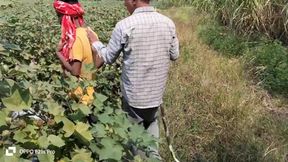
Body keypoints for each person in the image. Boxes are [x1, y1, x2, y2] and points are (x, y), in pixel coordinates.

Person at [86, 0, 179, 159]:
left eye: (125, 0)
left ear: (134, 1)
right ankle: (153, 157)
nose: (124, 3)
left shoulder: (124, 25)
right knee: (151, 127)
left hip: (134, 99)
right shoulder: (168, 23)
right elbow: (175, 55)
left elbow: (108, 57)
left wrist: (95, 42)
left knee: (134, 140)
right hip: (156, 95)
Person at [53, 0, 96, 105]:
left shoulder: (74, 39)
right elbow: (97, 64)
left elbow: (75, 72)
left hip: (79, 98)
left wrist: (58, 53)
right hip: (90, 93)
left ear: (65, 16)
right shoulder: (90, 33)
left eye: (58, 16)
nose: (58, 20)